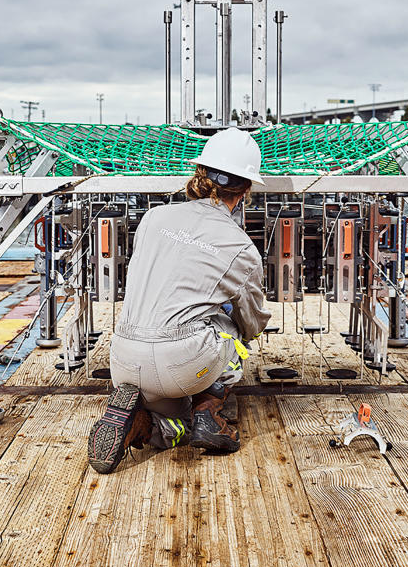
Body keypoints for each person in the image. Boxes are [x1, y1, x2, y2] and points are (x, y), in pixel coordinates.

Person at [88, 128, 272, 474]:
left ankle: (145, 424)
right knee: (232, 327)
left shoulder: (154, 217)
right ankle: (208, 413)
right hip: (184, 364)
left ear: (199, 173)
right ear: (246, 190)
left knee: (173, 416)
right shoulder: (241, 247)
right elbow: (253, 323)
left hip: (124, 360)